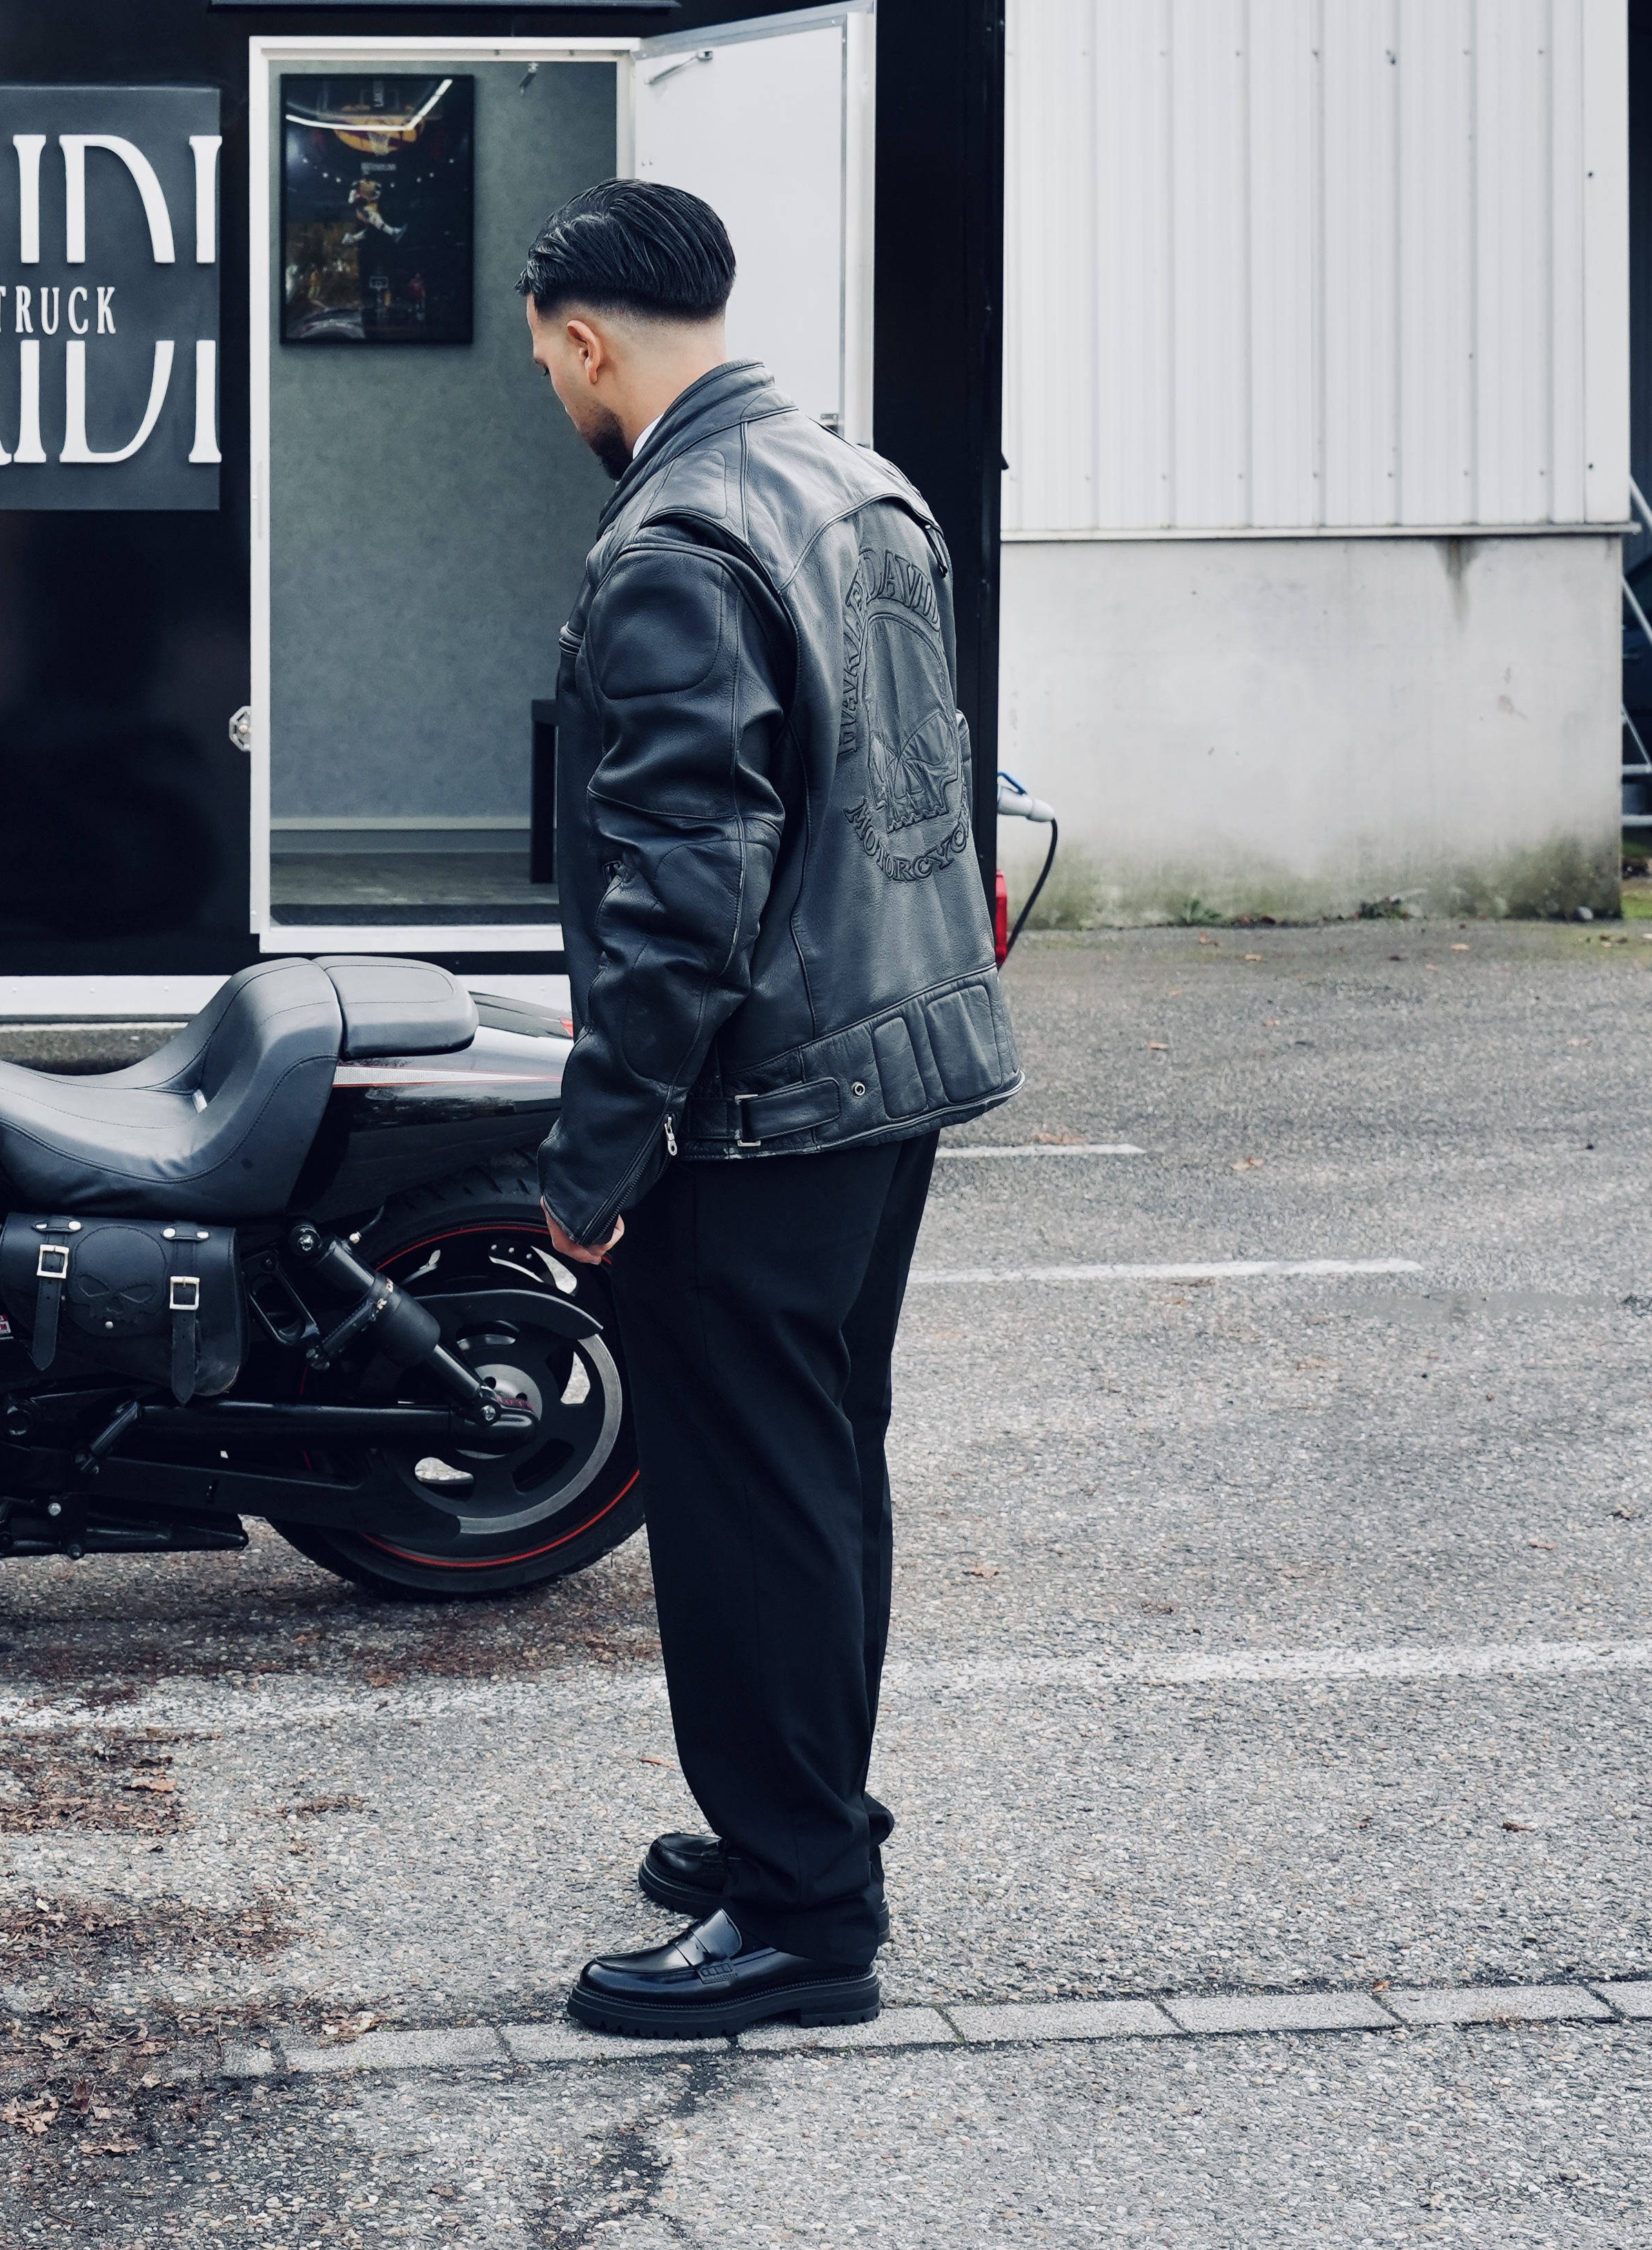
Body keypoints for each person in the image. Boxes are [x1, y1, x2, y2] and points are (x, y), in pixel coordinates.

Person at [518, 178, 1019, 2041]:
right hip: (892, 1071)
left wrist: (590, 1161)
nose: (554, 391)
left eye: (548, 363)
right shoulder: (858, 482)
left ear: (582, 340)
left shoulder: (675, 538)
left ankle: (805, 1917)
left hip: (758, 1107)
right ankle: (801, 1826)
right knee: (817, 1473)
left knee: (743, 1504)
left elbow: (680, 897)